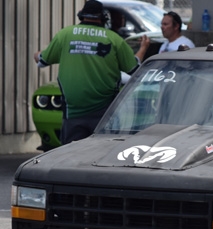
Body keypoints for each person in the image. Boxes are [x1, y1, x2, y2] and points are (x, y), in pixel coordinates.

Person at [34, 0, 150, 145]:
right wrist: (143, 48)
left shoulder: (65, 35)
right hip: (104, 112)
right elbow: (134, 69)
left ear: (82, 16)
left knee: (70, 156)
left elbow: (43, 60)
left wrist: (38, 54)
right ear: (102, 18)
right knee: (101, 154)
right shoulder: (114, 39)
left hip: (73, 113)